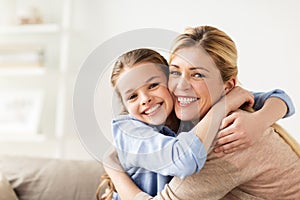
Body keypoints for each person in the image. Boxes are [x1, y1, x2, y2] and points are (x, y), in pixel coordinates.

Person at [102, 25, 299, 199]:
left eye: (197, 75)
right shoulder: (204, 116)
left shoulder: (229, 137)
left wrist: (113, 169)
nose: (181, 86)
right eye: (176, 72)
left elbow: (274, 97)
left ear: (227, 87)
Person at [103, 48, 256, 200]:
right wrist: (222, 107)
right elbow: (184, 161)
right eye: (132, 96)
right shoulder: (129, 132)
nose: (144, 99)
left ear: (171, 83)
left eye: (153, 85)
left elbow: (252, 96)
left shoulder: (184, 110)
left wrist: (263, 118)